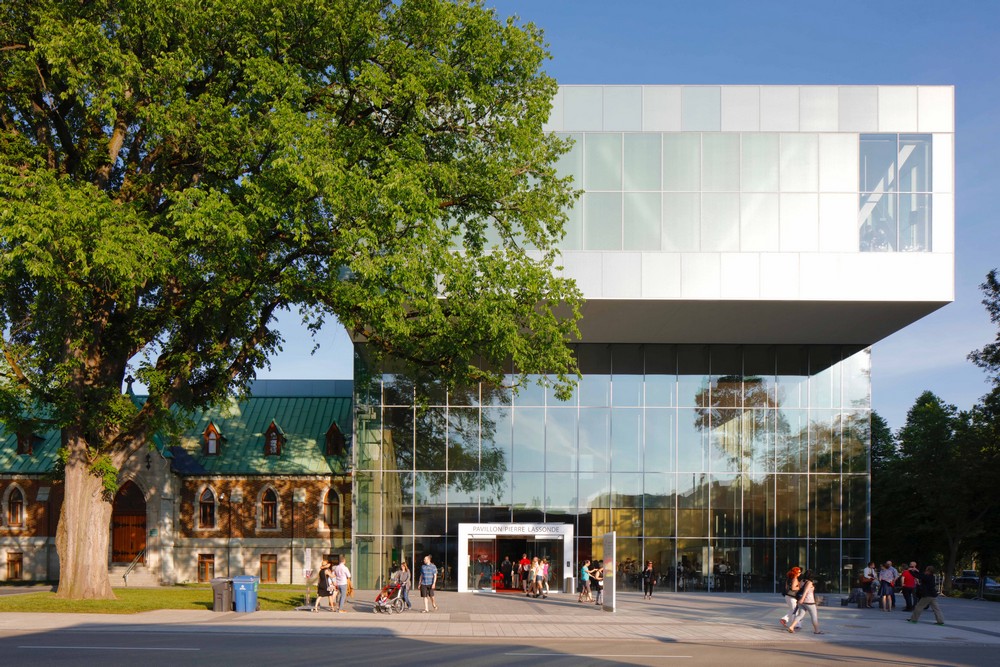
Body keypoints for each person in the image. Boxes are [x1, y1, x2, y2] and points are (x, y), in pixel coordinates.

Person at [787, 569, 822, 634]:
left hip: (801, 601)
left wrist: (801, 600)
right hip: (809, 601)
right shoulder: (809, 582)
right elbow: (805, 592)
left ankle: (791, 626)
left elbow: (800, 589)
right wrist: (803, 598)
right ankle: (817, 630)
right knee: (814, 616)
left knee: (800, 615)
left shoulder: (802, 581)